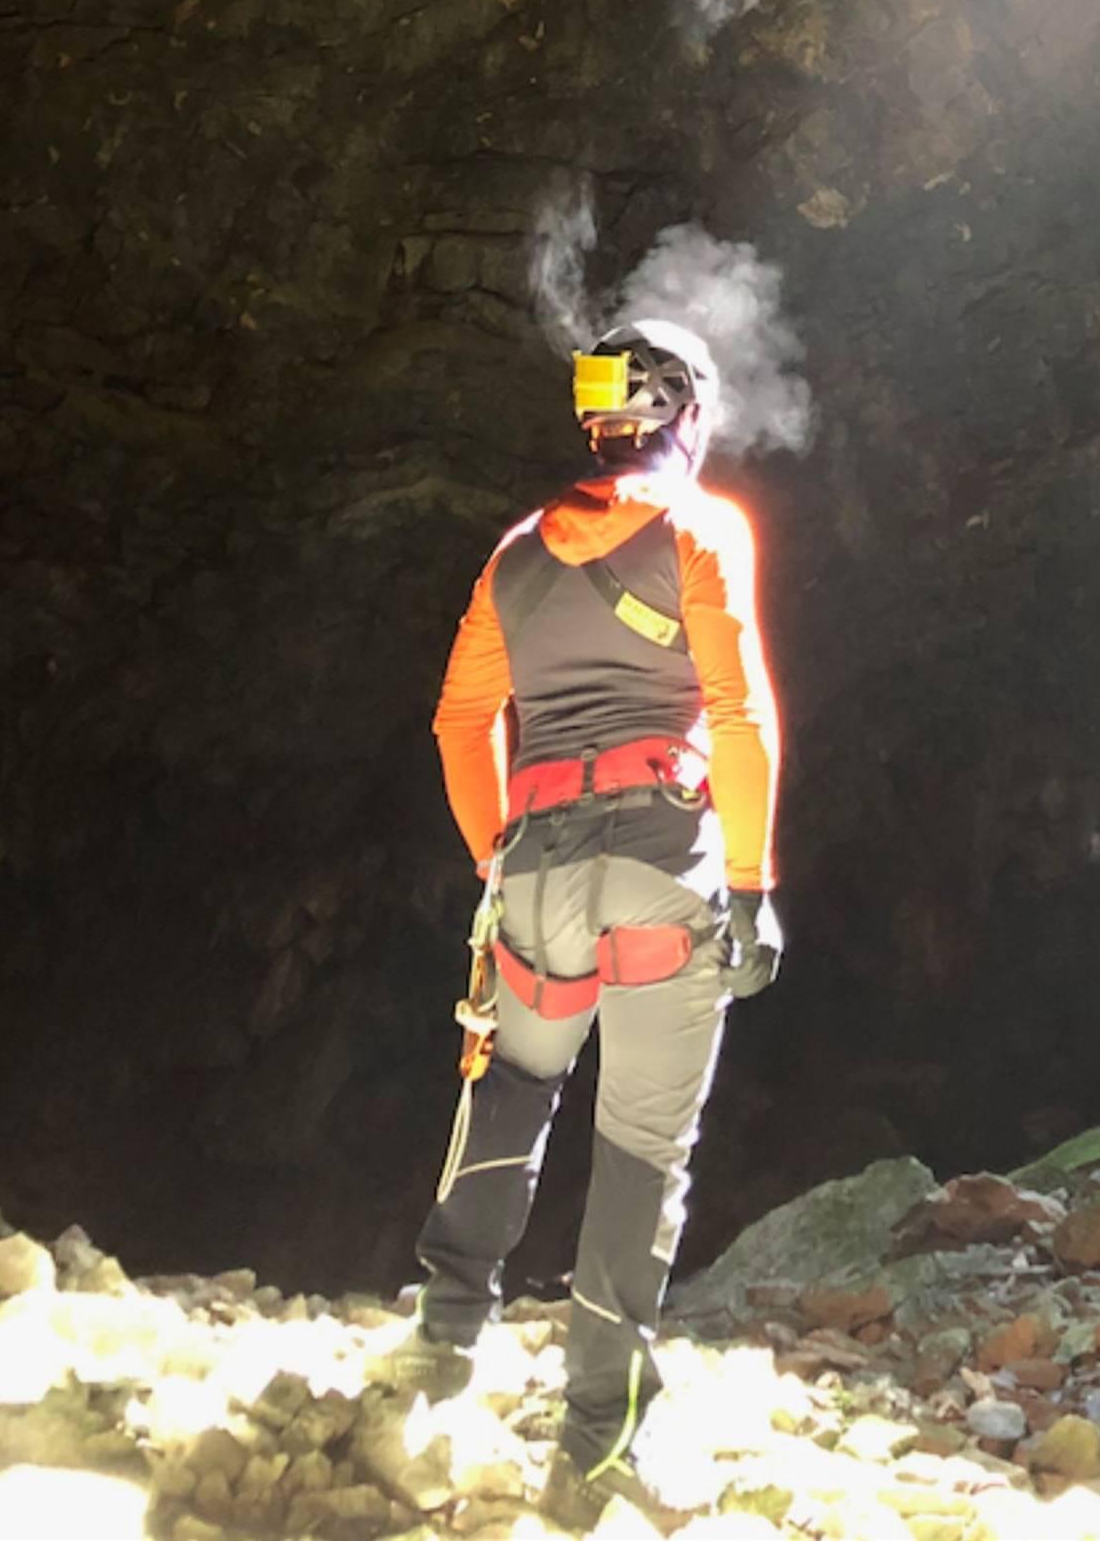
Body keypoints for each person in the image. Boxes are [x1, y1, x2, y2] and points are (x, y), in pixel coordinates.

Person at [386, 319, 783, 1525]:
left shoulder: (515, 555)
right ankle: (596, 1439)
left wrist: (497, 859)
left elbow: (460, 725)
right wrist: (753, 883)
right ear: (685, 414)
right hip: (661, 867)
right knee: (640, 1150)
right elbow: (737, 712)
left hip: (538, 872)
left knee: (511, 1092)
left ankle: (441, 1346)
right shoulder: (702, 529)